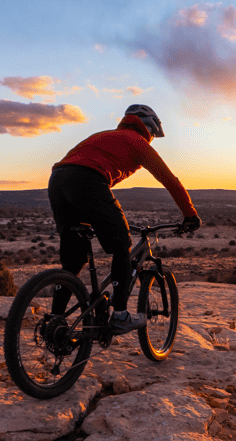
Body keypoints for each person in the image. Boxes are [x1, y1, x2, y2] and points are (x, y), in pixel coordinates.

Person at [48, 104, 201, 333]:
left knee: (73, 260)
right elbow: (170, 180)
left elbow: (74, 165)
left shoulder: (102, 136)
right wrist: (190, 214)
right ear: (149, 128)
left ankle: (55, 320)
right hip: (87, 180)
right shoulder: (136, 142)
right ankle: (119, 315)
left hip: (57, 181)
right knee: (121, 244)